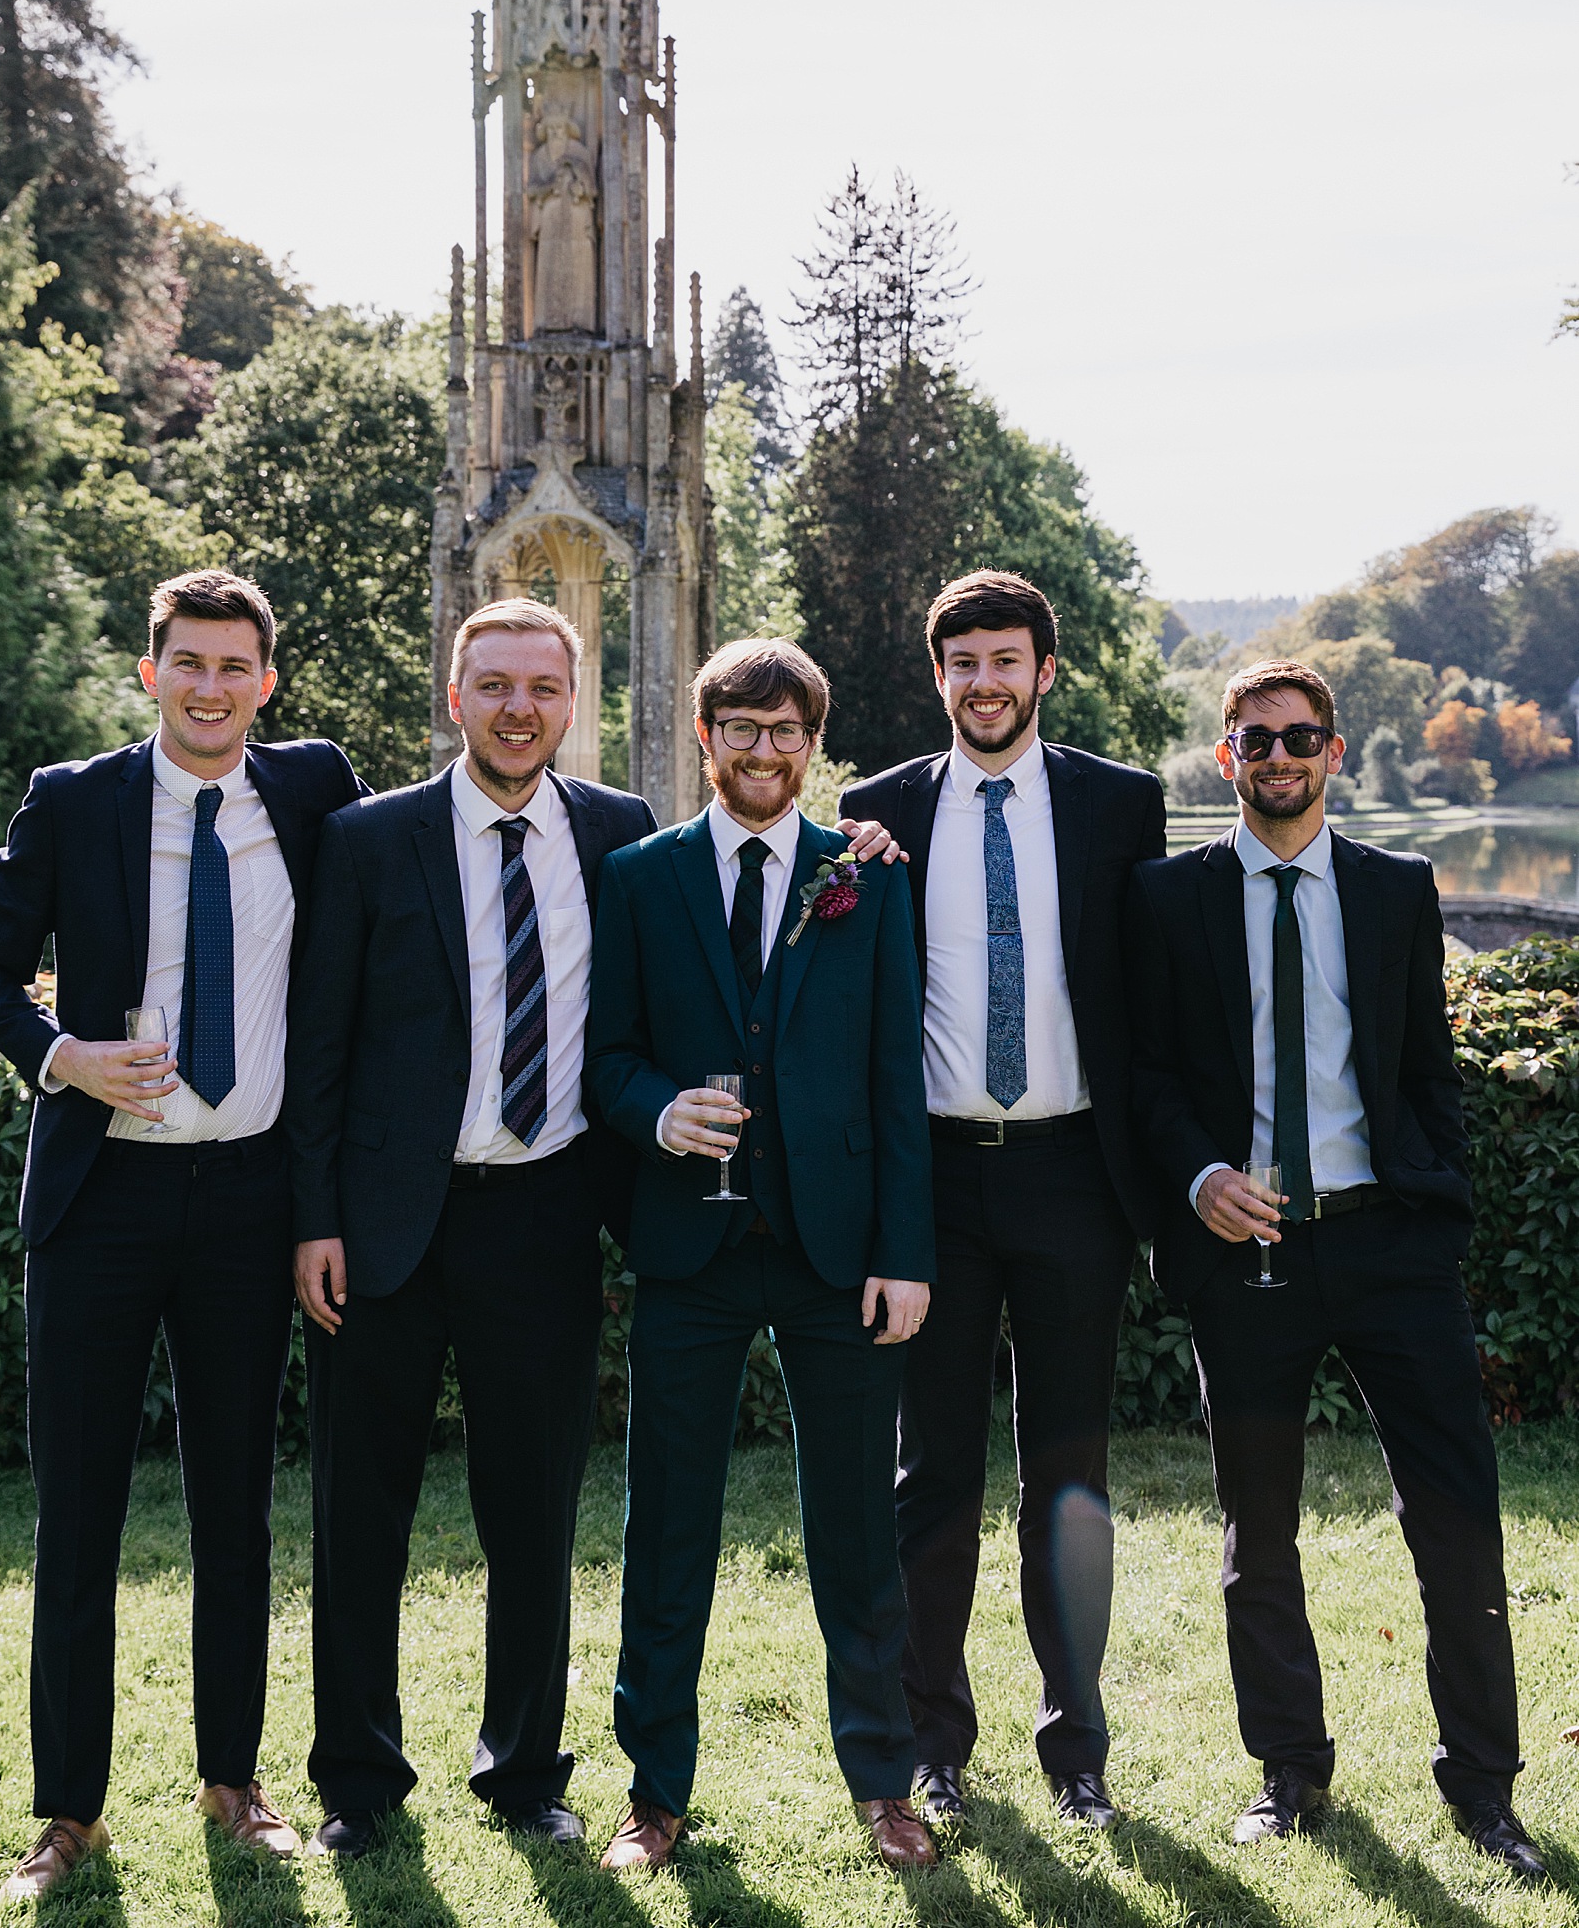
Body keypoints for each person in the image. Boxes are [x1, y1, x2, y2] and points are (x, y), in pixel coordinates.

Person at [0, 569, 366, 1901]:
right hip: (101, 1204)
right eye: (186, 662)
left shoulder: (311, 793)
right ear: (151, 672)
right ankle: (67, 1811)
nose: (209, 685)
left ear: (267, 681)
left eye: (234, 665)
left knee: (234, 1507)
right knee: (77, 1516)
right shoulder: (75, 799)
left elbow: (419, 880)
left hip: (248, 1200)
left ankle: (234, 1781)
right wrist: (60, 1053)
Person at [1126, 659, 1546, 1879]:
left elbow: (1423, 1069)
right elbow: (1148, 1080)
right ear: (1224, 759)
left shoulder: (1395, 887)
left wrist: (1436, 1217)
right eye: (1254, 741)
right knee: (1257, 1532)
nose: (1278, 757)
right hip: (1240, 1248)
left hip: (1386, 1246)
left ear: (1334, 750)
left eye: (1299, 737)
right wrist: (1199, 1177)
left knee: (1457, 1524)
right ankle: (1287, 1773)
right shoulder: (1167, 898)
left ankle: (1482, 1790)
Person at [286, 599, 655, 1858]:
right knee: (360, 1514)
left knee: (532, 1512)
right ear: (456, 697)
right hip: (387, 1225)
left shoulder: (619, 837)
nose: (517, 710)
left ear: (571, 701)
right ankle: (358, 1783)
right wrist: (316, 1218)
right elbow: (317, 1047)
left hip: (542, 1217)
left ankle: (524, 1774)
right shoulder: (367, 840)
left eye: (542, 689)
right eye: (492, 686)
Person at [587, 638, 939, 1875]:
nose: (760, 751)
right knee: (665, 1526)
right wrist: (653, 1112)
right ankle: (654, 1793)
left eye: (783, 731)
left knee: (856, 1527)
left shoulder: (866, 879)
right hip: (689, 1246)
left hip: (836, 1253)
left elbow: (898, 1077)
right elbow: (603, 1055)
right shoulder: (637, 877)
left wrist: (904, 1251)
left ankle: (884, 1785)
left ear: (811, 743)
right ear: (703, 736)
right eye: (737, 728)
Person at [839, 568, 1165, 1831]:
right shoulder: (874, 813)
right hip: (934, 1183)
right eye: (961, 662)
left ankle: (1073, 1746)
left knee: (1066, 1476)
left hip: (1075, 1175)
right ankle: (933, 1742)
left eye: (1006, 660)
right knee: (932, 1480)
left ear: (1043, 672)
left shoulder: (1118, 805)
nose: (984, 682)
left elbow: (1154, 983)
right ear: (939, 677)